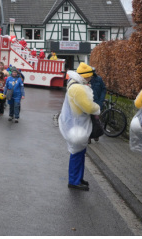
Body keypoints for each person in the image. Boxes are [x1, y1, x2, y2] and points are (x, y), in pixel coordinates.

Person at [59, 63, 100, 191]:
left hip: (76, 125)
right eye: (90, 77)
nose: (91, 79)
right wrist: (97, 108)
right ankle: (74, 181)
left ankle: (78, 178)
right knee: (77, 154)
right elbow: (88, 107)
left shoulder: (73, 83)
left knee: (79, 153)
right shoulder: (78, 88)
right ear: (85, 76)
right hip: (78, 125)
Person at [88, 68, 107, 143]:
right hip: (89, 103)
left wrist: (101, 100)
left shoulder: (98, 79)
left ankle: (96, 134)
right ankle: (89, 137)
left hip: (97, 103)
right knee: (89, 120)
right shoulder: (85, 80)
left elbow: (103, 89)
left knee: (96, 120)